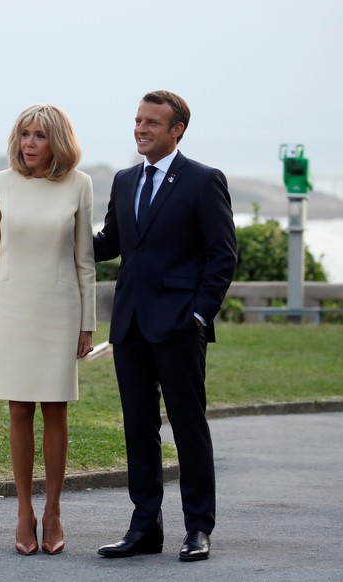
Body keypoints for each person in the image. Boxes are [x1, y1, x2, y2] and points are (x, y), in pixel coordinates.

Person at [93, 90, 238, 562]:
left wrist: (198, 314)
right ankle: (144, 527)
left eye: (152, 122)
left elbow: (222, 255)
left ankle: (198, 528)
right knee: (138, 428)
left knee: (188, 427)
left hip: (179, 326)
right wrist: (56, 224)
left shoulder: (202, 180)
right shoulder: (123, 179)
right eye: (138, 120)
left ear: (177, 130)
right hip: (130, 324)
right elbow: (110, 243)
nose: (141, 128)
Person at [0, 104, 96, 556]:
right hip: (11, 309)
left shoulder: (79, 185)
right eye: (24, 134)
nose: (29, 143)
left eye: (40, 136)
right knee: (19, 410)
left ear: (57, 142)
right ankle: (24, 510)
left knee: (56, 411)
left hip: (60, 309)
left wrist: (88, 324)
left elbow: (85, 262)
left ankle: (54, 510)